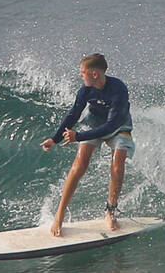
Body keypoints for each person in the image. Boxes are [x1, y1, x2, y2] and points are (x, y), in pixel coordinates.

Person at [40, 53, 133, 235]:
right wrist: (55, 138)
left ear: (94, 74)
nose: (81, 75)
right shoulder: (85, 91)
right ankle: (60, 214)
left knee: (117, 165)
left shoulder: (118, 89)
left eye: (83, 72)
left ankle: (110, 211)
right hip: (93, 122)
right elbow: (74, 114)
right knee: (79, 164)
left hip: (119, 125)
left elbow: (111, 125)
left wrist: (79, 136)